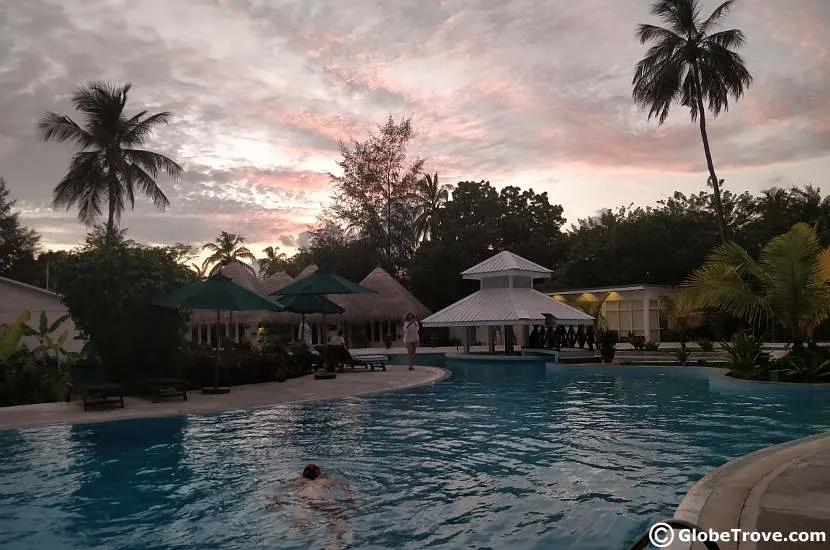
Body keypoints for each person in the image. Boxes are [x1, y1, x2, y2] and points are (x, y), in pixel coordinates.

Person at [269, 464, 352, 549]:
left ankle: (289, 534)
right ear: (319, 473)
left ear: (304, 474)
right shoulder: (327, 481)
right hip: (322, 501)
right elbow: (348, 488)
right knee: (338, 521)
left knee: (301, 523)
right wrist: (350, 498)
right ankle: (334, 540)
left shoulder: (299, 481)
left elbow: (278, 491)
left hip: (304, 501)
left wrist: (275, 501)